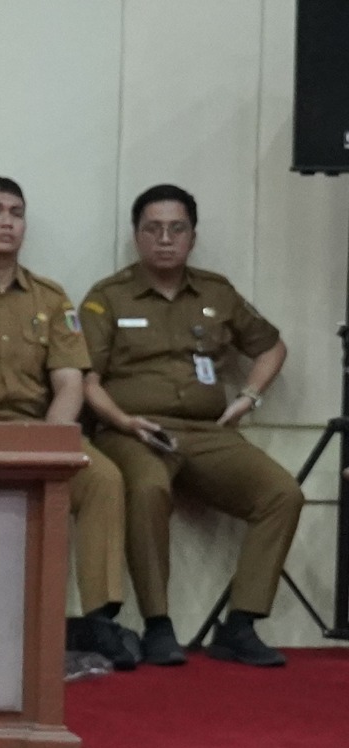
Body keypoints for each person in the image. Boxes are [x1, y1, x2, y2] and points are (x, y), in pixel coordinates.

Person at [0, 179, 134, 673]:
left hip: (40, 430)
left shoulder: (51, 299)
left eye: (16, 212)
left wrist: (50, 443)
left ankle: (98, 618)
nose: (7, 222)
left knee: (103, 478)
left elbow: (70, 382)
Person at [79, 184, 301, 669]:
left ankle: (240, 624)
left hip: (207, 431)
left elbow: (272, 346)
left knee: (282, 493)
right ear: (137, 236)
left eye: (176, 229)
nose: (165, 239)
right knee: (148, 488)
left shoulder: (217, 292)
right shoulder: (107, 297)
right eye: (153, 229)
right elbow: (85, 379)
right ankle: (158, 624)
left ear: (192, 237)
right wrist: (122, 421)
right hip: (132, 431)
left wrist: (249, 397)